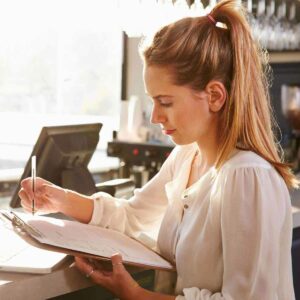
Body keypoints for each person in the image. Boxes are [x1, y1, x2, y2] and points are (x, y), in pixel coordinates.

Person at [18, 0, 299, 299]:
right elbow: (133, 217)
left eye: (165, 102)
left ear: (215, 96)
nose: (155, 116)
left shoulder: (246, 177)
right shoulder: (188, 156)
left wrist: (137, 295)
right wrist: (61, 200)